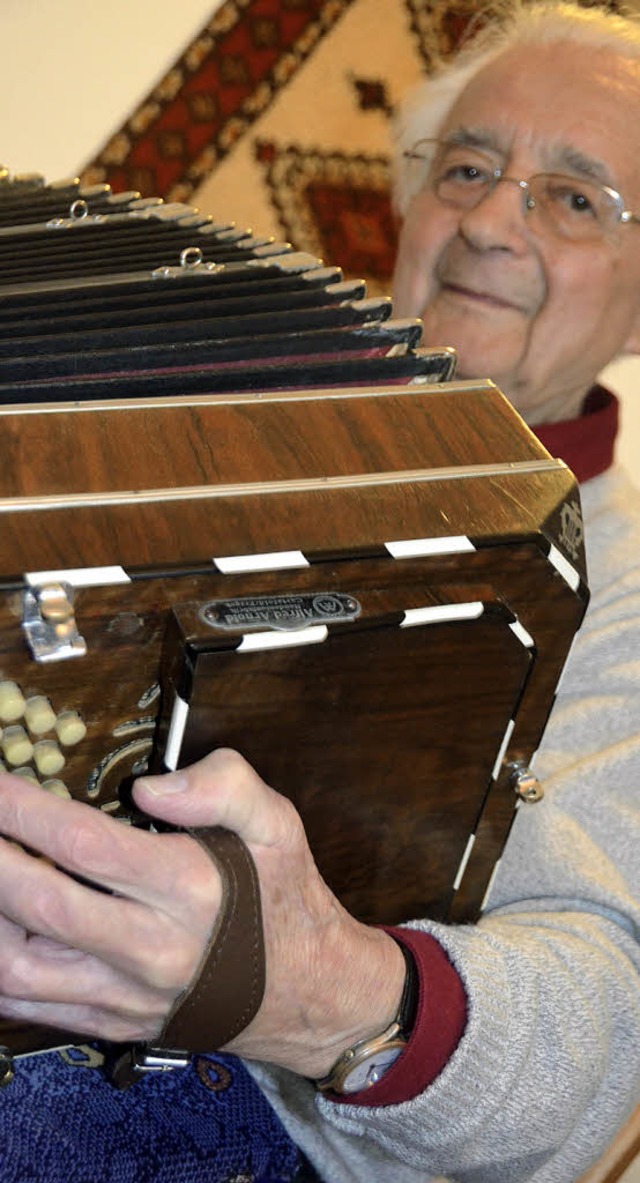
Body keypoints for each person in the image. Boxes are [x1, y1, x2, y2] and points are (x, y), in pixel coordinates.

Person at [0, 2, 638, 1181]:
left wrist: (301, 983)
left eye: (575, 194)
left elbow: (600, 1042)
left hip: (251, 1117)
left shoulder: (633, 605)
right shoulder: (179, 415)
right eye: (467, 165)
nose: (492, 216)